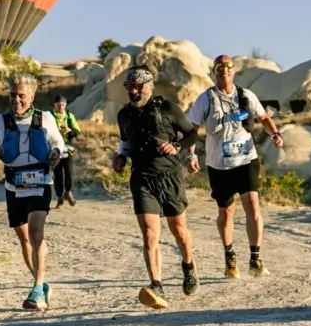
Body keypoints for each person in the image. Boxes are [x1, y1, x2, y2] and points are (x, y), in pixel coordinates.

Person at [186, 55, 285, 279]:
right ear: (214, 72)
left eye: (228, 66)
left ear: (234, 71)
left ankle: (255, 259)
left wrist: (275, 134)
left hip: (246, 159)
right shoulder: (205, 99)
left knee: (252, 205)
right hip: (219, 164)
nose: (224, 70)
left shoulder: (246, 95)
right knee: (226, 211)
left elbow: (264, 117)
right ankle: (229, 256)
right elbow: (192, 129)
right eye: (219, 67)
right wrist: (191, 155)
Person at [0, 73, 67, 311]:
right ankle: (41, 283)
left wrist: (56, 153)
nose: (16, 100)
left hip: (40, 182)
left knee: (36, 232)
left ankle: (36, 288)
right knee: (25, 238)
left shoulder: (45, 118)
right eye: (12, 95)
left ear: (32, 97)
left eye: (21, 95)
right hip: (13, 185)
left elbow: (59, 143)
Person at [113, 66, 201, 310]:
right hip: (142, 178)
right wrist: (120, 157)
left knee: (178, 229)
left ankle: (188, 265)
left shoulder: (168, 108)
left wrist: (177, 147)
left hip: (170, 177)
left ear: (149, 86)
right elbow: (124, 141)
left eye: (138, 86)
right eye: (129, 87)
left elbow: (192, 134)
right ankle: (157, 285)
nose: (133, 91)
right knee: (150, 234)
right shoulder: (124, 115)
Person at [50, 94, 82, 208]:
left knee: (69, 172)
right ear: (54, 105)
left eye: (63, 105)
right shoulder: (49, 116)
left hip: (68, 148)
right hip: (54, 148)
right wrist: (56, 133)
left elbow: (77, 131)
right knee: (57, 173)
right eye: (58, 105)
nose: (60, 107)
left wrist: (69, 131)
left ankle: (68, 192)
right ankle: (59, 198)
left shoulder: (69, 116)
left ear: (66, 105)